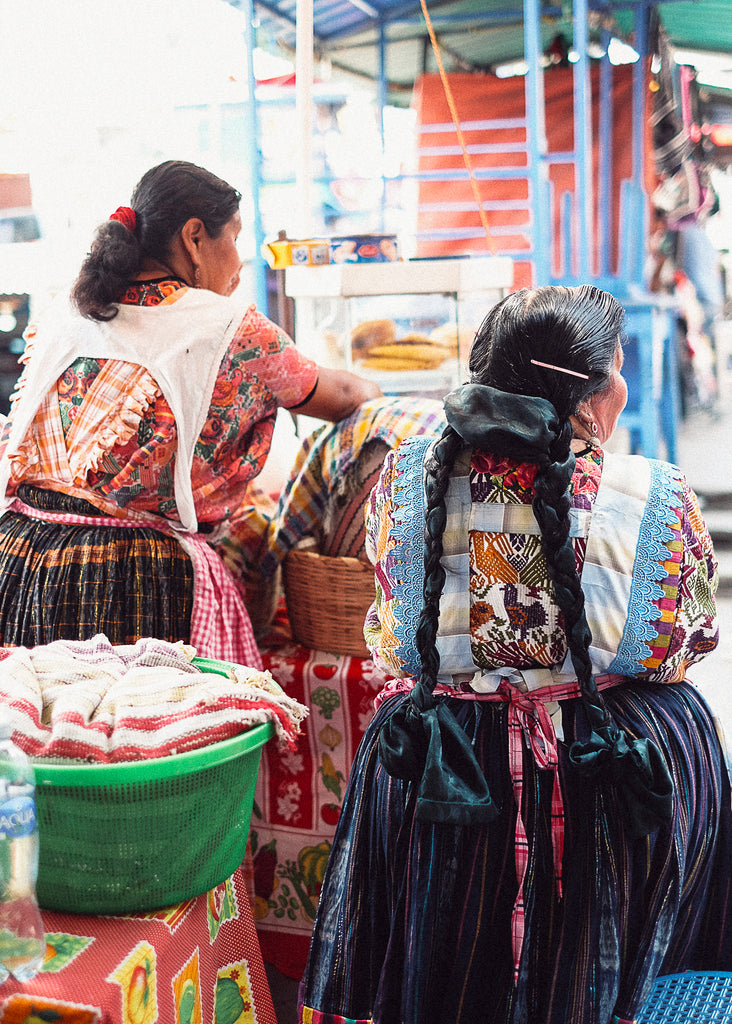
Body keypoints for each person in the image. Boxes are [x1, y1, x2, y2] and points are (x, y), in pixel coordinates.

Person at [298, 285, 732, 1024]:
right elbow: (679, 644)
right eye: (619, 368)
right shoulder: (652, 493)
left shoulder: (408, 480)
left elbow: (394, 641)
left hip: (450, 766)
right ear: (593, 398)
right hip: (600, 758)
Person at [0, 160, 381, 664]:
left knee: (43, 731)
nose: (240, 263)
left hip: (20, 565)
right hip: (131, 586)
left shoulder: (68, 310)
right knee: (147, 737)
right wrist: (377, 392)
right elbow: (340, 396)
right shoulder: (228, 328)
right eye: (236, 239)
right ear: (195, 237)